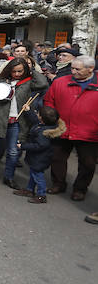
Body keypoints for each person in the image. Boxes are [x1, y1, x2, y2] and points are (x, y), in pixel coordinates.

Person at [0, 57, 47, 189]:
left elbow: (43, 83)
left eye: (20, 71)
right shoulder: (2, 80)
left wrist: (32, 70)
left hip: (18, 122)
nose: (17, 74)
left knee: (13, 152)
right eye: (14, 71)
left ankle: (9, 177)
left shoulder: (29, 82)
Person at [44, 56, 97, 203]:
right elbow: (49, 101)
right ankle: (58, 183)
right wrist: (51, 117)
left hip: (89, 132)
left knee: (87, 163)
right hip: (62, 128)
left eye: (77, 69)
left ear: (90, 69)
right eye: (72, 68)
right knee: (57, 158)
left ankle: (80, 189)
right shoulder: (60, 82)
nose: (73, 71)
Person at [15, 107, 64, 204]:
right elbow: (35, 120)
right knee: (34, 174)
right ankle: (29, 190)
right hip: (39, 158)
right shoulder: (47, 125)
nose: (36, 114)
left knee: (38, 176)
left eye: (38, 113)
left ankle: (41, 195)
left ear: (41, 118)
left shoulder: (43, 133)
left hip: (39, 158)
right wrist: (28, 111)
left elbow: (39, 146)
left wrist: (23, 146)